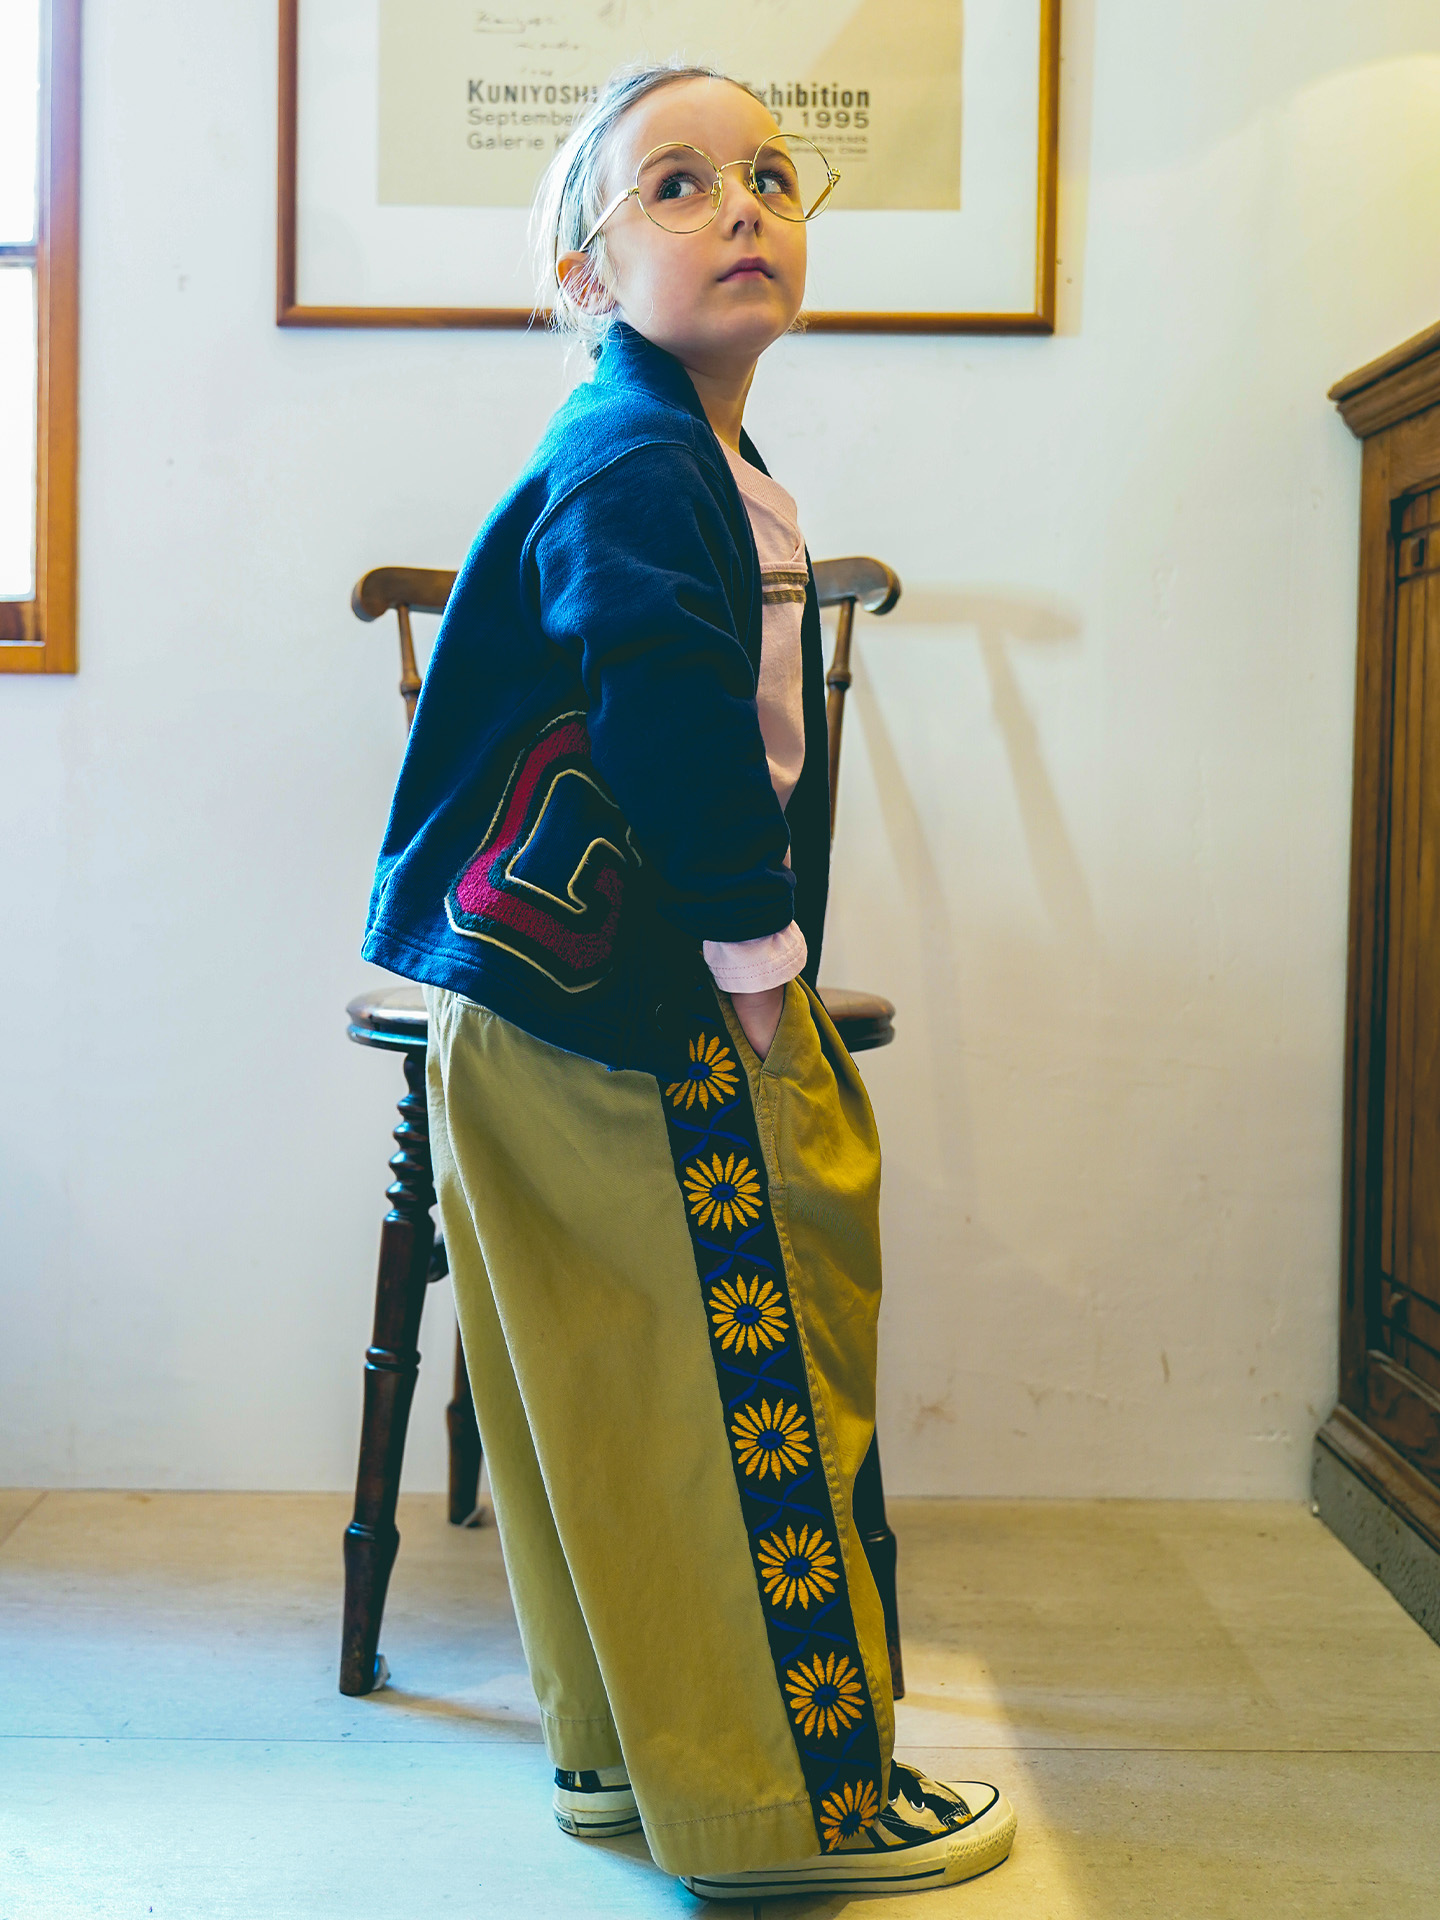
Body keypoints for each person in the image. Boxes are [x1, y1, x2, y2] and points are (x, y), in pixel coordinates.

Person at [361, 56, 1016, 1901]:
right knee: (750, 1379)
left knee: (604, 1391)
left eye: (772, 176)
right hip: (626, 1008)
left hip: (523, 998)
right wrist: (757, 965)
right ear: (584, 272)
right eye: (675, 184)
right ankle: (787, 1807)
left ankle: (622, 1757)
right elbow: (666, 712)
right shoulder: (641, 458)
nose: (741, 205)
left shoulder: (676, 450)